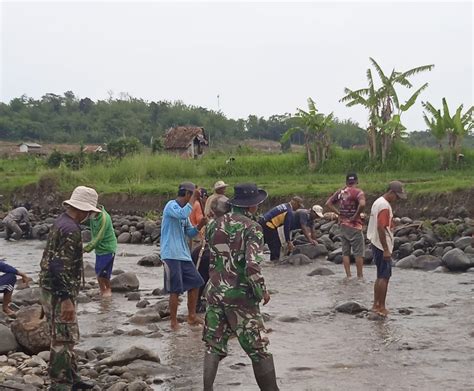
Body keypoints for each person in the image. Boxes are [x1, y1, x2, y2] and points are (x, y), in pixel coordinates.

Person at [203, 183, 279, 391]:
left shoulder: (213, 225)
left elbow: (215, 258)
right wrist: (261, 290)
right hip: (240, 297)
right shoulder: (252, 227)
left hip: (215, 292)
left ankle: (206, 389)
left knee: (214, 345)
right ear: (252, 205)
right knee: (259, 349)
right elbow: (252, 264)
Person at [39, 186, 100, 391]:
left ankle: (72, 377)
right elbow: (58, 266)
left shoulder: (60, 222)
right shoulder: (71, 230)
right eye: (89, 212)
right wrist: (65, 299)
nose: (89, 216)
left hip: (51, 288)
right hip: (58, 292)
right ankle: (60, 383)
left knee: (67, 334)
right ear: (83, 210)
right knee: (63, 337)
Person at [161, 182, 208, 331]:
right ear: (187, 195)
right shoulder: (171, 206)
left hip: (183, 254)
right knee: (175, 289)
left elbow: (190, 233)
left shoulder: (184, 212)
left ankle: (191, 315)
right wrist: (194, 198)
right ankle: (173, 321)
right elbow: (181, 214)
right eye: (191, 196)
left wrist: (200, 225)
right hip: (170, 254)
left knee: (196, 282)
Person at [367, 181, 407, 316]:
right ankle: (381, 307)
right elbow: (380, 227)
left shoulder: (378, 202)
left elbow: (381, 224)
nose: (397, 200)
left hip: (375, 242)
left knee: (380, 275)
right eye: (397, 196)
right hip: (381, 244)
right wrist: (385, 249)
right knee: (385, 277)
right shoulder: (384, 206)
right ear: (391, 192)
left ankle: (375, 304)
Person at [192, 196, 230, 313]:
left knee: (201, 280)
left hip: (203, 252)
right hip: (211, 254)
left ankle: (196, 303)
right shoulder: (227, 223)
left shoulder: (212, 223)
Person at [326, 173, 366, 279]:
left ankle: (348, 276)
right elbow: (362, 204)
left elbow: (328, 203)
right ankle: (360, 276)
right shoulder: (358, 192)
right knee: (358, 252)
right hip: (355, 225)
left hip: (343, 224)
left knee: (345, 252)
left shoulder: (340, 192)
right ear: (357, 181)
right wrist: (356, 215)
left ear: (346, 182)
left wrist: (339, 213)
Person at [83, 205, 118, 297]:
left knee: (104, 272)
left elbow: (99, 237)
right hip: (99, 249)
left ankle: (108, 290)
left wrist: (86, 249)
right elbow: (84, 221)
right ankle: (102, 290)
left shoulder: (104, 218)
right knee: (98, 270)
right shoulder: (93, 217)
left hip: (108, 248)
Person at [260, 196, 304, 262]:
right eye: (298, 205)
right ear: (294, 203)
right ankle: (274, 263)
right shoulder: (288, 211)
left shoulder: (284, 206)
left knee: (262, 243)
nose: (298, 208)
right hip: (269, 225)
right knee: (276, 247)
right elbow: (286, 227)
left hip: (263, 222)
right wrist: (288, 241)